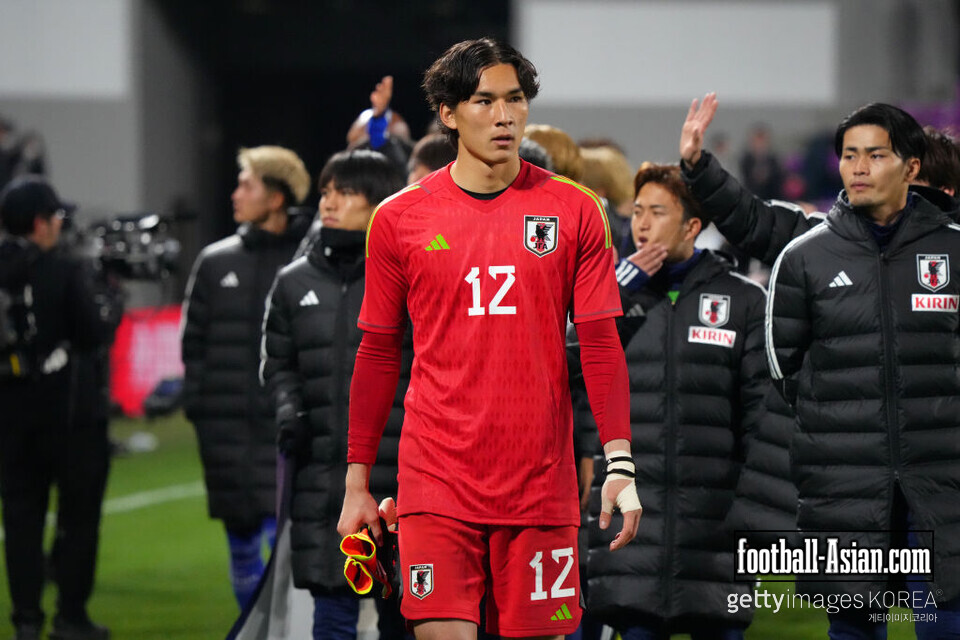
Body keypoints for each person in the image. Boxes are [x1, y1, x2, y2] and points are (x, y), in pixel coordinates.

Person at [336, 38, 641, 640]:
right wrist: (356, 482)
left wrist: (620, 460)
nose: (505, 116)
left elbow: (602, 345)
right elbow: (376, 352)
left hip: (539, 483)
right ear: (448, 113)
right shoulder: (399, 218)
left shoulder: (576, 211)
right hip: (435, 483)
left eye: (515, 100)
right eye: (484, 101)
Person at [764, 104, 960, 637]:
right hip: (844, 482)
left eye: (876, 154)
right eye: (850, 155)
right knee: (853, 629)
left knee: (945, 624)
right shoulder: (805, 257)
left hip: (942, 481)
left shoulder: (952, 248)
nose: (859, 167)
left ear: (912, 168)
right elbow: (784, 368)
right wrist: (846, 422)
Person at [581, 164, 780, 639]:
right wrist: (614, 293)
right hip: (631, 520)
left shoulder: (744, 301)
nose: (642, 224)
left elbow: (762, 417)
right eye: (637, 213)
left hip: (715, 525)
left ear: (693, 226)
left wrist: (756, 510)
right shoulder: (605, 296)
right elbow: (566, 363)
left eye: (657, 212)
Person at [260, 149, 409, 640]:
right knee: (333, 607)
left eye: (346, 192)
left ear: (379, 203)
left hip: (401, 476)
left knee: (403, 612)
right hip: (323, 476)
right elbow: (277, 363)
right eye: (326, 191)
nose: (330, 203)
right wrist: (289, 407)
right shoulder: (293, 281)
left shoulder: (410, 277)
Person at [180, 145, 312, 610]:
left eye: (247, 184)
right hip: (226, 429)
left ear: (276, 197)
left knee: (287, 549)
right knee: (241, 549)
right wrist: (200, 409)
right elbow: (191, 345)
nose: (235, 194)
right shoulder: (215, 262)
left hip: (286, 430)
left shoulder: (307, 260)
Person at [0, 176, 121, 640]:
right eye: (53, 217)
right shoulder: (63, 269)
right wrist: (109, 295)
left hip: (11, 420)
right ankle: (70, 617)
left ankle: (25, 619)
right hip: (71, 420)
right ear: (38, 223)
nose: (58, 225)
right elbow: (94, 333)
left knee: (21, 519)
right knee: (78, 517)